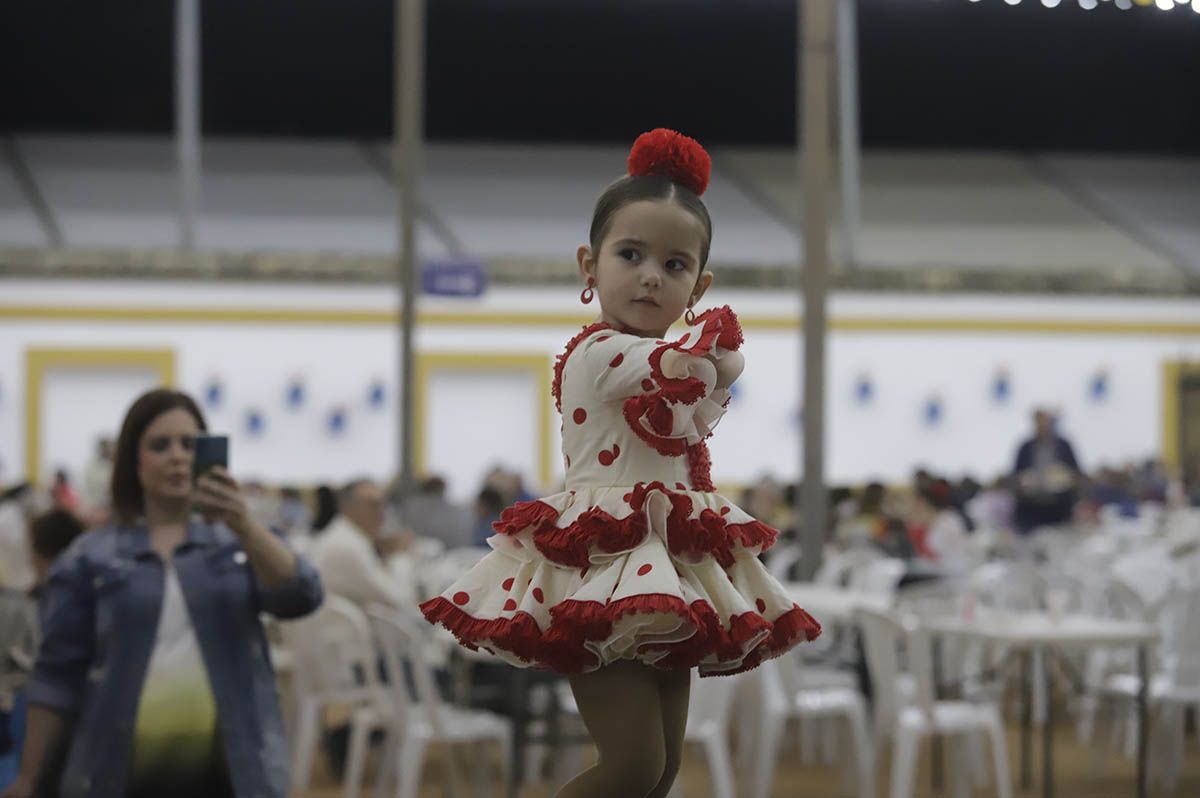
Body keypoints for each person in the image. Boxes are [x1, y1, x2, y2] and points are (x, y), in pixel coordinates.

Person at [420, 129, 821, 798]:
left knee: (657, 772)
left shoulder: (665, 363)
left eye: (675, 264)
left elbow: (717, 368)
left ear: (699, 283)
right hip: (604, 569)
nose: (650, 275)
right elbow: (707, 364)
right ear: (589, 264)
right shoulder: (599, 354)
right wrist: (717, 353)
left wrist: (721, 357)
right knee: (632, 767)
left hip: (665, 566)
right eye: (630, 254)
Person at [2, 389, 323, 798]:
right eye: (160, 445)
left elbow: (302, 596)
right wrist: (29, 777)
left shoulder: (239, 543)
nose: (178, 456)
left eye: (190, 444)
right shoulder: (90, 557)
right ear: (133, 461)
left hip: (232, 771)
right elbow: (55, 677)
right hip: (115, 772)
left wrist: (242, 522)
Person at [312, 478, 417, 610]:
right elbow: (400, 600)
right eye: (373, 505)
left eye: (383, 504)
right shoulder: (347, 547)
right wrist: (400, 555)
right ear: (347, 507)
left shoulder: (344, 536)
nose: (382, 512)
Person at [1013, 408, 1081, 534]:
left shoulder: (1064, 446)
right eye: (1039, 422)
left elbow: (1076, 473)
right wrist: (1024, 481)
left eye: (1044, 422)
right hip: (1031, 506)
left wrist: (1064, 478)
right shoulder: (1025, 448)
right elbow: (1015, 476)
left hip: (1059, 505)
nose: (1042, 426)